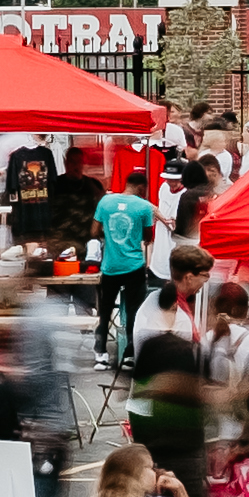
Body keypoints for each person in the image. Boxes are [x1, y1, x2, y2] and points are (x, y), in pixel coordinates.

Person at [90, 155, 161, 366]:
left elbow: (94, 230)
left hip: (110, 266)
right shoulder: (143, 207)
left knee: (104, 311)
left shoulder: (106, 201)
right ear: (141, 187)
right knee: (133, 312)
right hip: (134, 266)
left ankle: (100, 354)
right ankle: (129, 355)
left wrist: (110, 236)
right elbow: (148, 237)